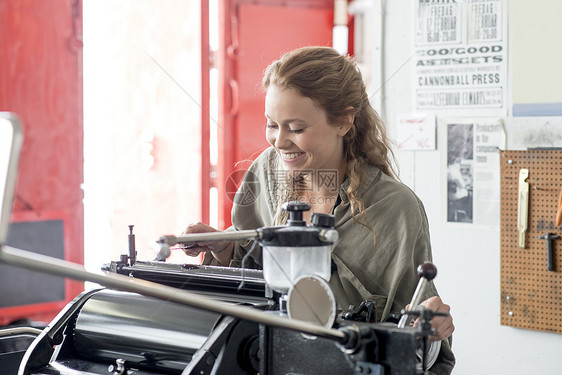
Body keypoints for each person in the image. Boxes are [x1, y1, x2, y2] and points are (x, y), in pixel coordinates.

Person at [183, 46, 455, 373]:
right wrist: (224, 245)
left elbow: (416, 342)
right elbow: (247, 270)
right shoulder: (267, 172)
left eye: (295, 128)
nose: (278, 142)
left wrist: (431, 328)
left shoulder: (395, 209)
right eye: (272, 124)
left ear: (343, 122)